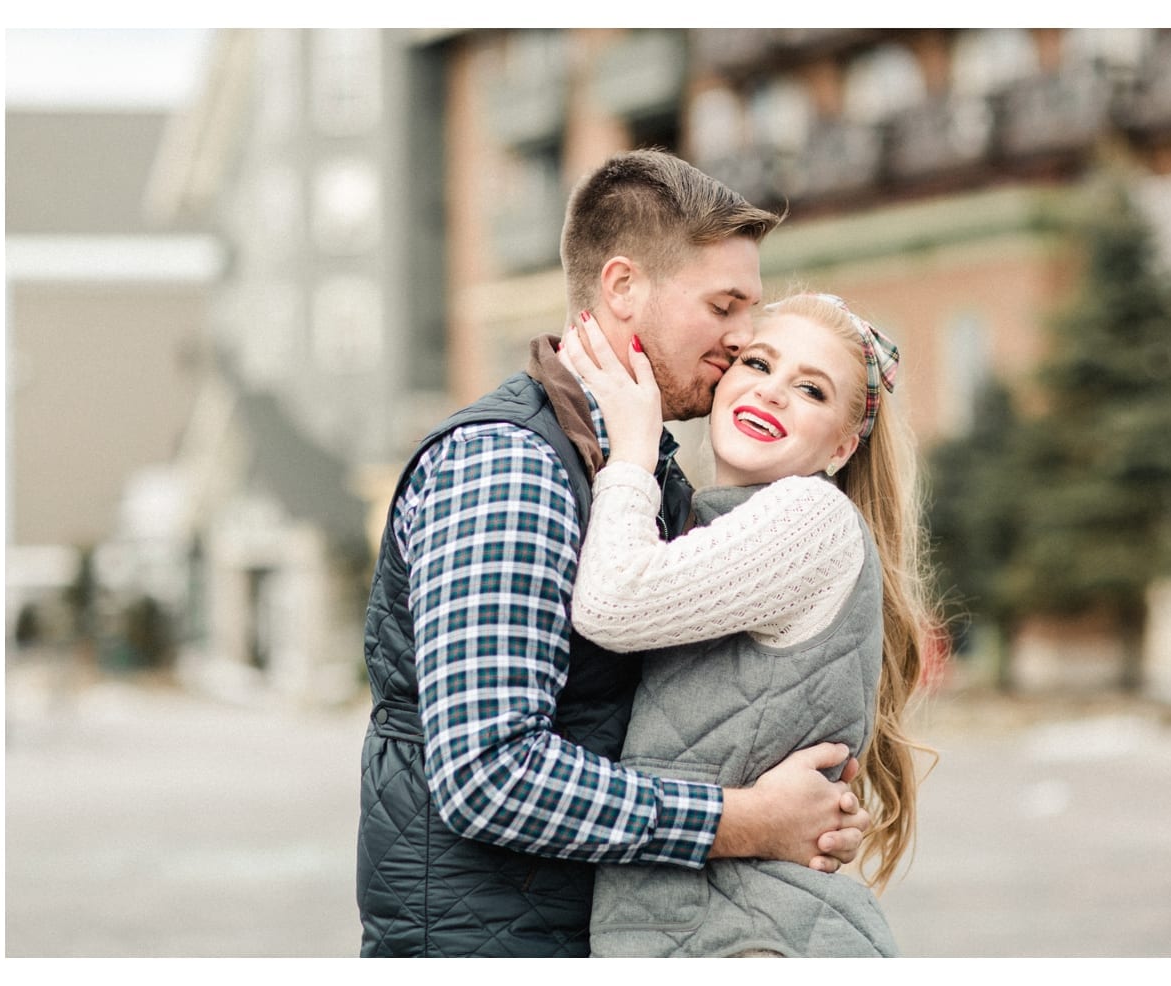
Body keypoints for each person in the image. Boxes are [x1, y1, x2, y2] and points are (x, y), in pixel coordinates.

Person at [356, 150, 874, 957]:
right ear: (623, 287)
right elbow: (491, 776)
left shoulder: (634, 466)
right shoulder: (512, 467)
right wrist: (749, 822)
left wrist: (815, 804)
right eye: (725, 306)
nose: (744, 339)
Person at [560, 291, 935, 957]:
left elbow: (610, 604)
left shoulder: (808, 519)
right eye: (758, 364)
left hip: (755, 943)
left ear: (843, 445)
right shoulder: (707, 524)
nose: (773, 393)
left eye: (811, 390)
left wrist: (632, 448)